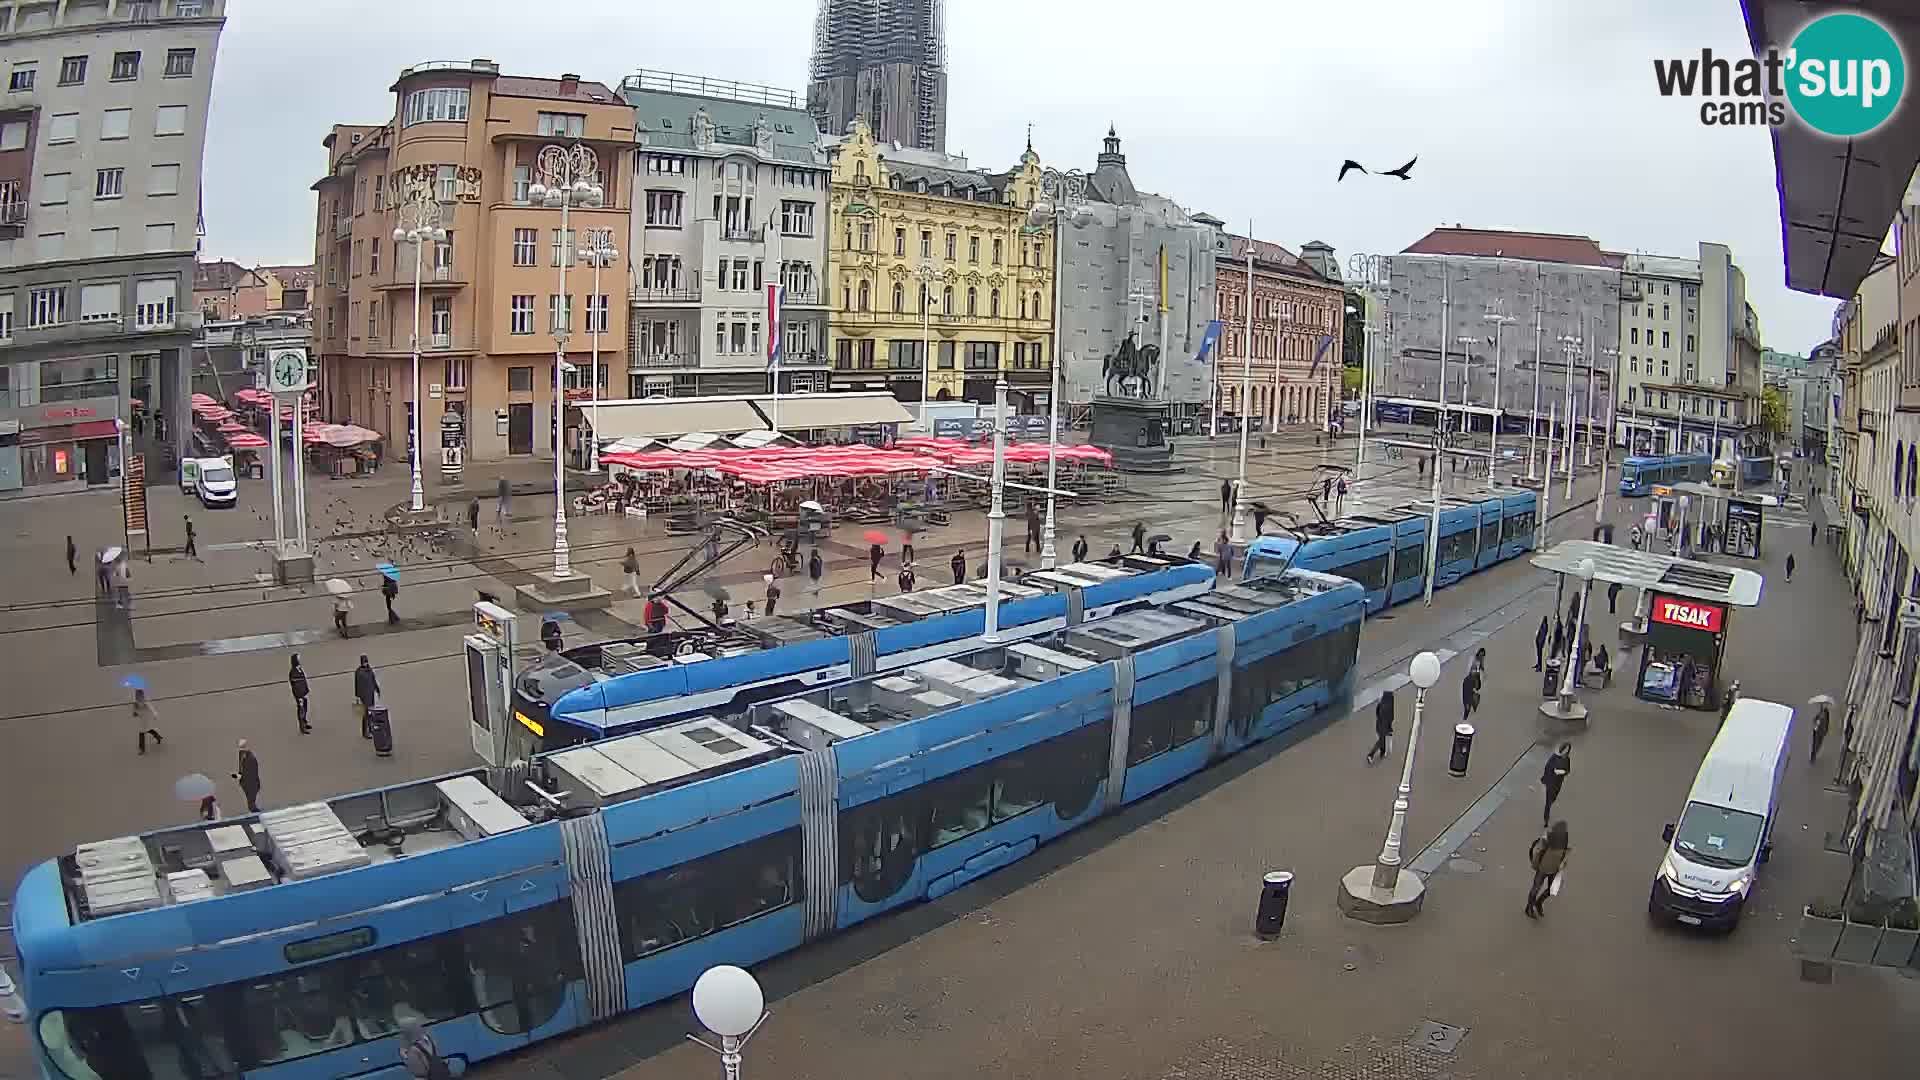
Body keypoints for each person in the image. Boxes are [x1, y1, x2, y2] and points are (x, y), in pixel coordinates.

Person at [1525, 821, 1570, 918]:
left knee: (1552, 889)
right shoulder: (1548, 838)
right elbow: (1539, 850)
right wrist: (1536, 864)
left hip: (1555, 868)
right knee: (1535, 888)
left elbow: (1564, 852)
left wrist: (1562, 864)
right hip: (1543, 867)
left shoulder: (1565, 838)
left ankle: (1538, 902)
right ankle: (1529, 908)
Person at [1541, 743, 1571, 825]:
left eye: (1567, 753)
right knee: (1548, 802)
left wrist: (1562, 772)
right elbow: (1547, 768)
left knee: (1553, 799)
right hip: (1551, 783)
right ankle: (1546, 820)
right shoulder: (1554, 758)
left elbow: (1568, 771)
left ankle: (1549, 806)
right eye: (1564, 753)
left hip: (1558, 783)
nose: (1566, 755)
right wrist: (1552, 773)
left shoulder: (1567, 759)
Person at [232, 740, 262, 814]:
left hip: (251, 778)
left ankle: (252, 807)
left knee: (254, 791)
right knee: (251, 793)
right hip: (248, 779)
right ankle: (252, 807)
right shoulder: (244, 755)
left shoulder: (247, 755)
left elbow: (242, 768)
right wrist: (238, 776)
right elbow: (242, 768)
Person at [354, 655, 380, 739]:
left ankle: (371, 728)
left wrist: (377, 688)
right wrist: (357, 696)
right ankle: (365, 732)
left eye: (366, 661)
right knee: (365, 714)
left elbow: (373, 679)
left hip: (370, 693)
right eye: (364, 662)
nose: (366, 663)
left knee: (371, 712)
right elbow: (357, 684)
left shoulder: (369, 669)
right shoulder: (358, 672)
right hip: (364, 696)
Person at [1366, 690, 1395, 764]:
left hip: (1378, 723)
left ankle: (1382, 753)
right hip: (1384, 725)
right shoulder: (1390, 705)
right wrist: (1390, 727)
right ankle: (1370, 755)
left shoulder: (1381, 703)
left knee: (1382, 738)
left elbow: (1377, 713)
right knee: (1381, 741)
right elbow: (1391, 717)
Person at [132, 688, 163, 755]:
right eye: (137, 695)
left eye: (139, 695)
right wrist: (135, 712)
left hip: (146, 719)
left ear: (142, 695)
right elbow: (135, 711)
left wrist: (155, 715)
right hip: (141, 719)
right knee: (148, 730)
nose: (137, 696)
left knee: (142, 732)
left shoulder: (145, 702)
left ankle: (142, 749)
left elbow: (152, 709)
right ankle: (158, 736)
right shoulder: (135, 702)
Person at [289, 654, 311, 734]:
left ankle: (305, 723)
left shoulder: (299, 669)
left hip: (303, 693)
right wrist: (299, 697)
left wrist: (306, 691)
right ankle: (302, 727)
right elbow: (296, 686)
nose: (300, 661)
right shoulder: (293, 672)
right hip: (299, 695)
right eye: (299, 659)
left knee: (305, 708)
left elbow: (303, 681)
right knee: (301, 710)